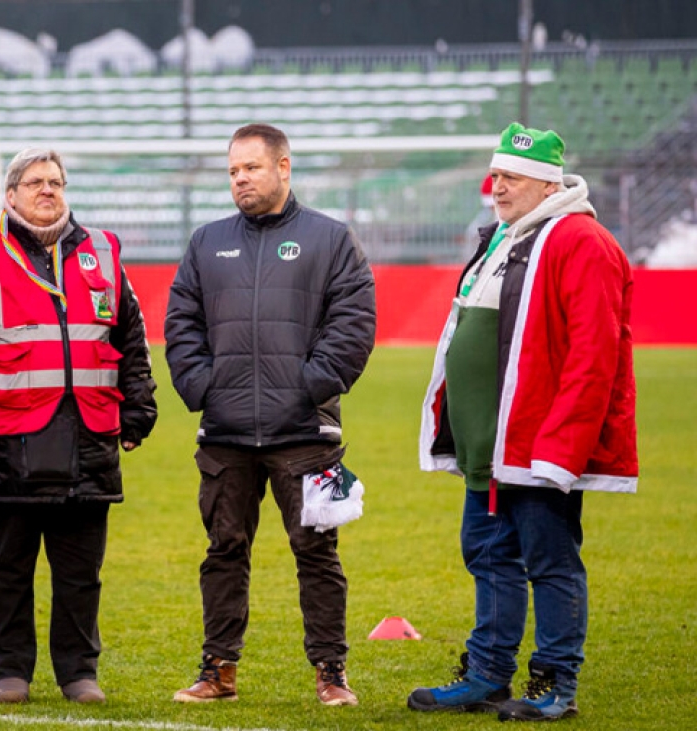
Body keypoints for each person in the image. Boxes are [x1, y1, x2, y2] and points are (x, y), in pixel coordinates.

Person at [408, 122, 637, 722]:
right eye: (496, 174)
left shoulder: (582, 241)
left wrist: (562, 450)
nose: (497, 186)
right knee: (488, 558)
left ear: (545, 182)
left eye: (510, 176)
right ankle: (487, 675)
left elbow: (595, 355)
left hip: (537, 447)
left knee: (550, 562)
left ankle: (556, 682)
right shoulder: (507, 238)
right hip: (491, 447)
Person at [0, 148, 158, 705]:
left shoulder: (103, 250)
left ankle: (79, 672)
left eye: (55, 181)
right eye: (34, 182)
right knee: (7, 568)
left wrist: (139, 409)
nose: (47, 190)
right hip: (7, 439)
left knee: (81, 572)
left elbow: (133, 339)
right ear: (11, 195)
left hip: (89, 437)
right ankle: (10, 672)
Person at [164, 123, 376, 707]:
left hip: (305, 432)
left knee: (316, 552)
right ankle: (217, 671)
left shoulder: (331, 239)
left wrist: (309, 386)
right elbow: (181, 323)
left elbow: (354, 321)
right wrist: (204, 385)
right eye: (233, 171)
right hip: (226, 433)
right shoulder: (207, 242)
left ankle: (331, 673)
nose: (240, 179)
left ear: (284, 168)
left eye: (251, 168)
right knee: (223, 551)